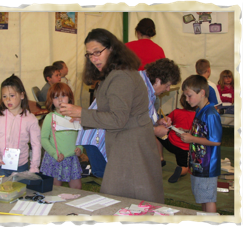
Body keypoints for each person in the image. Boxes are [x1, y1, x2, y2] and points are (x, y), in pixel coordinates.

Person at [60, 28, 164, 203]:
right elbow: (116, 114)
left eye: (97, 52)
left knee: (125, 199)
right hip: (128, 144)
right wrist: (82, 117)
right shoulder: (117, 74)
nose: (93, 58)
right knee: (131, 200)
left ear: (112, 49)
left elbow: (117, 119)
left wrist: (82, 113)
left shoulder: (120, 76)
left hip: (131, 147)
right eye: (89, 54)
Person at [76, 58, 181, 178]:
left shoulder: (143, 83)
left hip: (109, 135)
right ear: (158, 80)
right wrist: (155, 130)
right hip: (99, 137)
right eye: (167, 85)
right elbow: (126, 122)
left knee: (119, 179)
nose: (168, 89)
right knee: (114, 179)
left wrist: (157, 122)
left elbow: (140, 117)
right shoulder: (138, 88)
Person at [181, 74, 222, 213]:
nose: (187, 99)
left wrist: (192, 139)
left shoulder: (211, 113)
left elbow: (215, 141)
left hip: (207, 166)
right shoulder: (199, 110)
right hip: (198, 163)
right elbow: (201, 133)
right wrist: (188, 133)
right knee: (203, 198)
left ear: (202, 93)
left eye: (189, 95)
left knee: (208, 199)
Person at [0, 74, 41, 177]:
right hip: (0, 166)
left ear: (22, 95)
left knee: (20, 192)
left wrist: (34, 167)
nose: (8, 99)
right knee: (0, 192)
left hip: (21, 167)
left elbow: (36, 144)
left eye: (12, 95)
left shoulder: (31, 119)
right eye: (4, 96)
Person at [40, 82, 83, 189]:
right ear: (51, 100)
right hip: (56, 159)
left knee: (77, 187)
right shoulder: (50, 117)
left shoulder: (75, 116)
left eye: (63, 96)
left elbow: (80, 135)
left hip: (72, 158)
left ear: (70, 97)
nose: (60, 100)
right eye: (56, 97)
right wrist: (55, 153)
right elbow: (44, 139)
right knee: (55, 188)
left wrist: (80, 149)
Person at [156, 94, 196, 183]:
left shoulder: (176, 112)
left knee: (157, 136)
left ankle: (161, 158)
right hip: (184, 148)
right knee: (185, 167)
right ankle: (180, 170)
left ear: (182, 101)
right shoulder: (197, 116)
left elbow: (166, 121)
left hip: (171, 143)